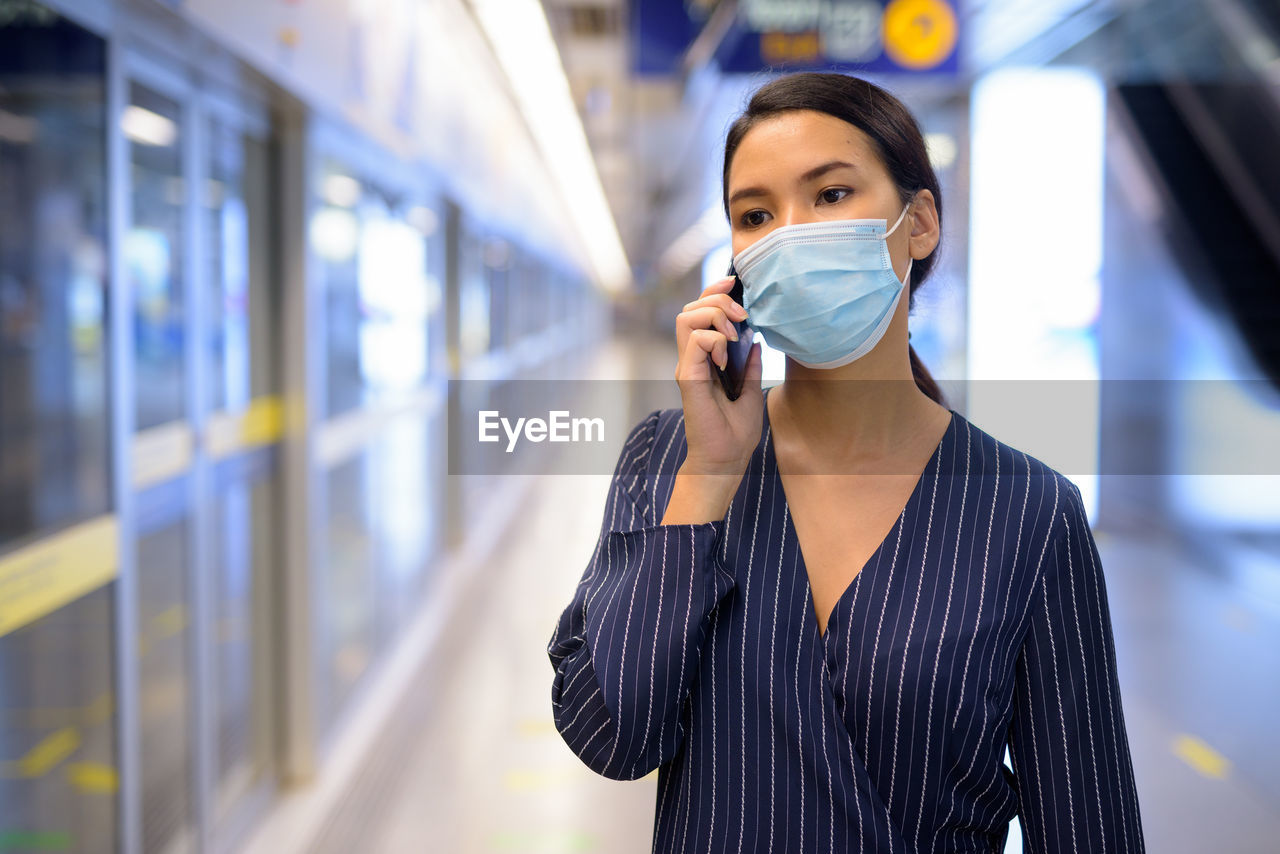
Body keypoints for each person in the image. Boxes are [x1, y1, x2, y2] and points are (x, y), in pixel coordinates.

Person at [547, 71, 1145, 853]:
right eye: (755, 214)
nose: (790, 234)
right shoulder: (666, 458)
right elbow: (615, 734)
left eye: (830, 195)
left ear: (919, 222)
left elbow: (1090, 823)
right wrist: (709, 477)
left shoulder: (1027, 513)